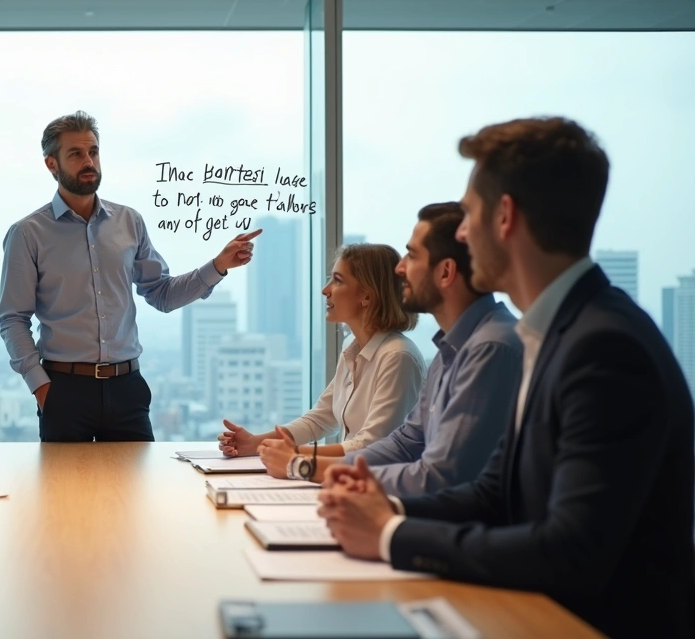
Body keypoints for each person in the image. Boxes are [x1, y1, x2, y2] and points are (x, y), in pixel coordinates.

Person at [317, 117, 694, 638]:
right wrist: (387, 508)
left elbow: (570, 551)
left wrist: (390, 535)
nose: (462, 233)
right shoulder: (554, 331)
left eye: (470, 213)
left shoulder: (603, 348)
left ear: (505, 217)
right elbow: (495, 491)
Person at [0, 110, 261, 442]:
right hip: (64, 391)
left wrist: (218, 265)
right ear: (52, 164)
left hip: (127, 389)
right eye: (75, 154)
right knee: (66, 480)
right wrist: (41, 388)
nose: (88, 161)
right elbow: (13, 318)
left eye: (93, 151)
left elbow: (162, 294)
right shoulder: (27, 233)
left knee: (139, 478)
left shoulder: (129, 222)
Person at [256, 204, 521, 496]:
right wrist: (304, 462)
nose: (400, 268)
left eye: (412, 255)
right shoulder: (450, 349)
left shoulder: (489, 349)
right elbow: (405, 444)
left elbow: (440, 476)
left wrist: (302, 465)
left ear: (446, 272)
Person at [218, 244, 426, 465]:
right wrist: (255, 443)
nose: (325, 290)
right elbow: (319, 419)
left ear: (367, 295)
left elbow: (372, 446)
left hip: (381, 482)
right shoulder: (352, 347)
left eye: (338, 281)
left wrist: (295, 456)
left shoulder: (398, 357)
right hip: (351, 476)